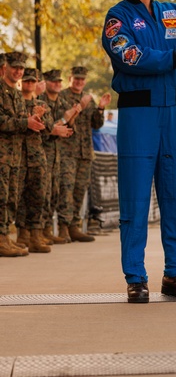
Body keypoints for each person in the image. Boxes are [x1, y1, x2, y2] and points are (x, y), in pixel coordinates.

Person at [100, 0, 176, 303]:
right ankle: (135, 277)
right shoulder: (117, 18)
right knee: (135, 199)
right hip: (138, 115)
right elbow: (130, 57)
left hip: (174, 111)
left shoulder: (175, 12)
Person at [57, 66, 110, 240]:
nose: (79, 82)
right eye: (76, 78)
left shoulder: (89, 98)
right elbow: (65, 121)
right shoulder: (63, 96)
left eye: (82, 79)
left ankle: (74, 226)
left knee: (80, 189)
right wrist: (81, 106)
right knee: (66, 188)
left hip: (85, 151)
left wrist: (101, 108)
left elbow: (96, 124)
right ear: (70, 78)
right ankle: (63, 226)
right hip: (67, 150)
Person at [15, 68, 54, 253]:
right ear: (21, 82)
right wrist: (29, 120)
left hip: (37, 155)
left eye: (32, 81)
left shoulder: (41, 104)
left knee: (39, 195)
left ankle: (36, 234)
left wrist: (40, 118)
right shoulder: (16, 102)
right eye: (26, 81)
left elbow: (48, 130)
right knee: (19, 197)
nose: (29, 84)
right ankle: (22, 234)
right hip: (18, 155)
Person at [38, 69, 74, 244]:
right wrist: (63, 121)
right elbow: (46, 127)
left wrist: (70, 117)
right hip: (42, 151)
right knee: (43, 193)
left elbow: (68, 123)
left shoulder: (62, 102)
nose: (57, 84)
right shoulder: (41, 101)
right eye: (53, 81)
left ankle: (47, 231)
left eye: (59, 81)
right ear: (46, 83)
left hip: (57, 154)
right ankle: (40, 231)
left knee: (54, 192)